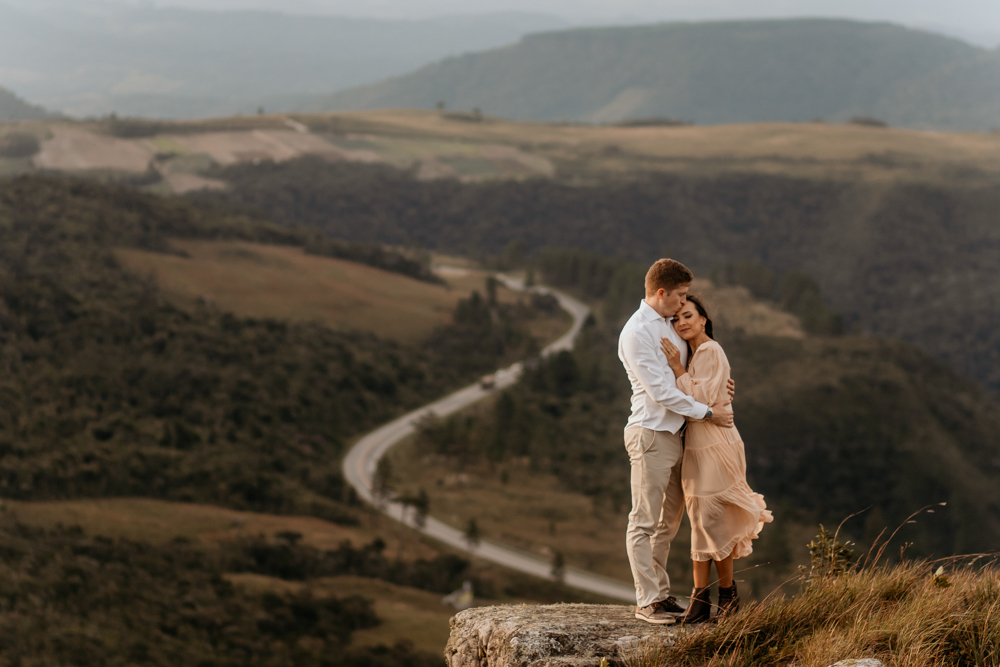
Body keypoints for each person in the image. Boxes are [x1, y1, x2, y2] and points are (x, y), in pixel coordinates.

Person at [618, 259, 736, 625]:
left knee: (668, 524)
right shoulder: (637, 332)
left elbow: (697, 370)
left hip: (680, 436)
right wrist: (707, 411)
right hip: (651, 432)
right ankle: (646, 601)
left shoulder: (670, 323)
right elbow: (660, 392)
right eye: (681, 295)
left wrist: (720, 389)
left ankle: (662, 594)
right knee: (643, 521)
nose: (685, 302)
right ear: (661, 293)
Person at [661, 295, 772, 624]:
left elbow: (701, 401)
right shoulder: (699, 355)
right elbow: (707, 399)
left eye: (688, 316)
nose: (682, 323)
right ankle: (718, 599)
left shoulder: (710, 350)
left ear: (703, 319)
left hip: (715, 446)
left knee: (710, 521)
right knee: (706, 522)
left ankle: (711, 599)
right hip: (701, 445)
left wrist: (678, 370)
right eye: (676, 319)